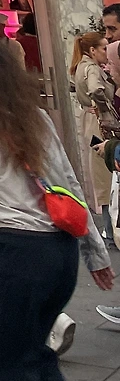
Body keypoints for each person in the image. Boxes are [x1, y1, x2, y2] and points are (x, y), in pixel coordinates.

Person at [0, 31, 113, 381]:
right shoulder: (37, 117)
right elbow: (68, 184)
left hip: (13, 252)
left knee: (6, 365)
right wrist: (95, 254)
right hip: (59, 253)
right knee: (36, 357)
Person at [73, 30, 119, 248]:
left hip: (91, 124)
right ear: (92, 50)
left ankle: (109, 231)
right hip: (100, 125)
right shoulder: (91, 68)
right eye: (103, 48)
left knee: (102, 177)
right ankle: (110, 232)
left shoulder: (81, 66)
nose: (106, 52)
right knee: (106, 176)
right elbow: (96, 89)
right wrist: (104, 106)